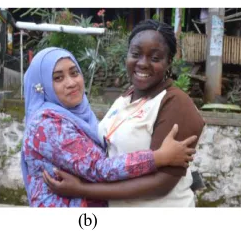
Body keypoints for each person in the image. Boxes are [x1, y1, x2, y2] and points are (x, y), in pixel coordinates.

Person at [41, 20, 207, 207]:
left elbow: (161, 184)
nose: (143, 63)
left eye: (155, 58)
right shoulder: (126, 97)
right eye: (136, 54)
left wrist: (81, 189)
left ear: (169, 62)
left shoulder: (175, 103)